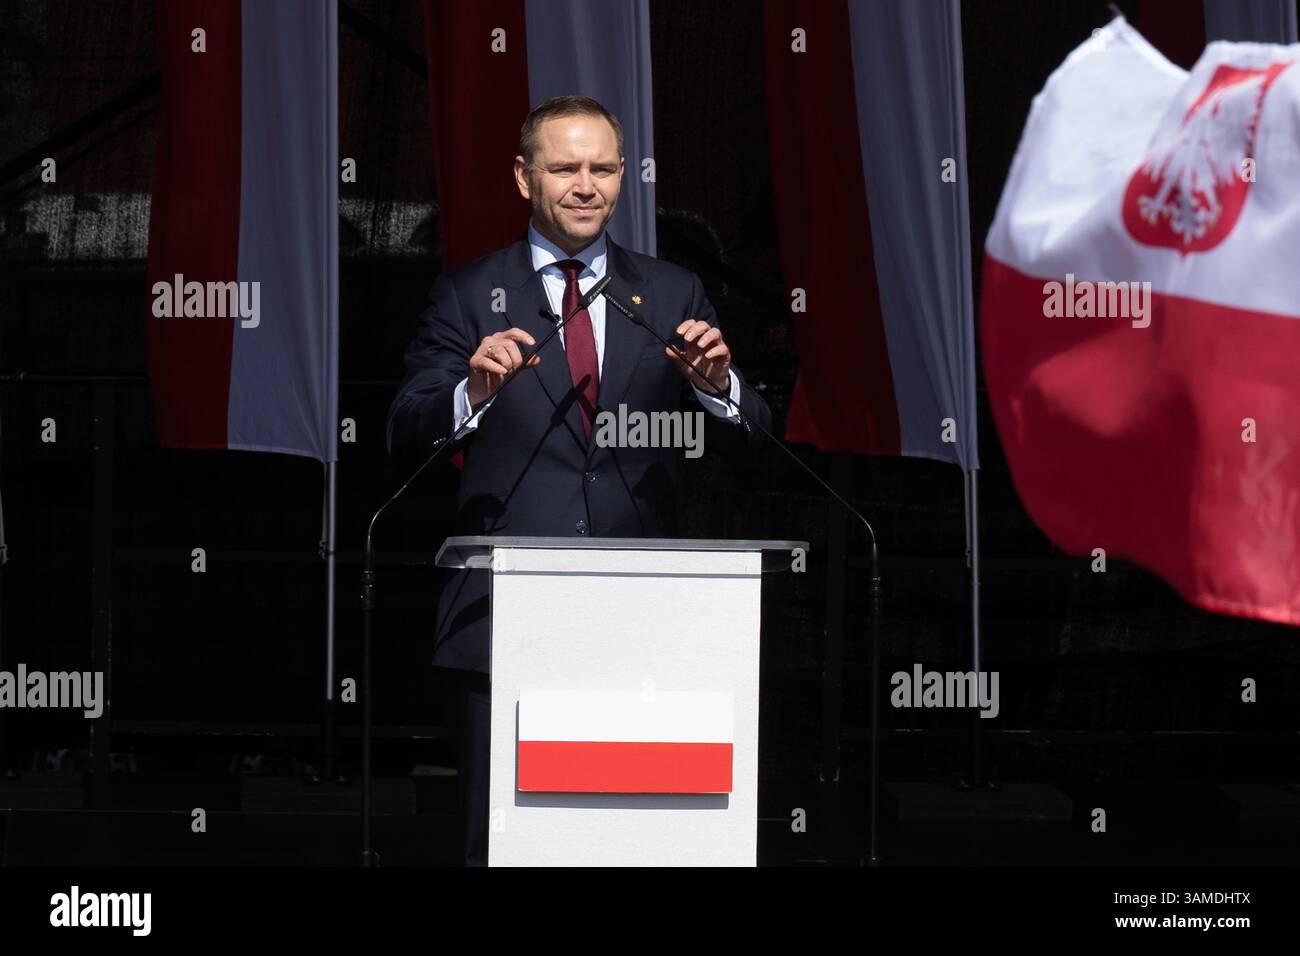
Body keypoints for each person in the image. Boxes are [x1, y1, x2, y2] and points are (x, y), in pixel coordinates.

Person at [386, 95, 771, 865]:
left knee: (629, 837)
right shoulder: (469, 295)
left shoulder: (669, 294)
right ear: (525, 178)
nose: (585, 184)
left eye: (602, 167)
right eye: (565, 167)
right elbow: (404, 433)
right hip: (504, 621)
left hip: (644, 620)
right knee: (499, 840)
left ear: (625, 175)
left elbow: (759, 441)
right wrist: (473, 393)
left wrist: (714, 388)